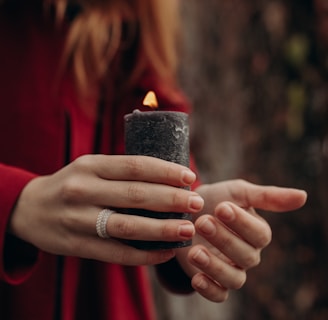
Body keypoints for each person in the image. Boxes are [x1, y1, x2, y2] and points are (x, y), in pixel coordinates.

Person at [0, 0, 307, 319]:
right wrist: (15, 202)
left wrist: (190, 216)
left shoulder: (133, 20)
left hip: (105, 302)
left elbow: (154, 122)